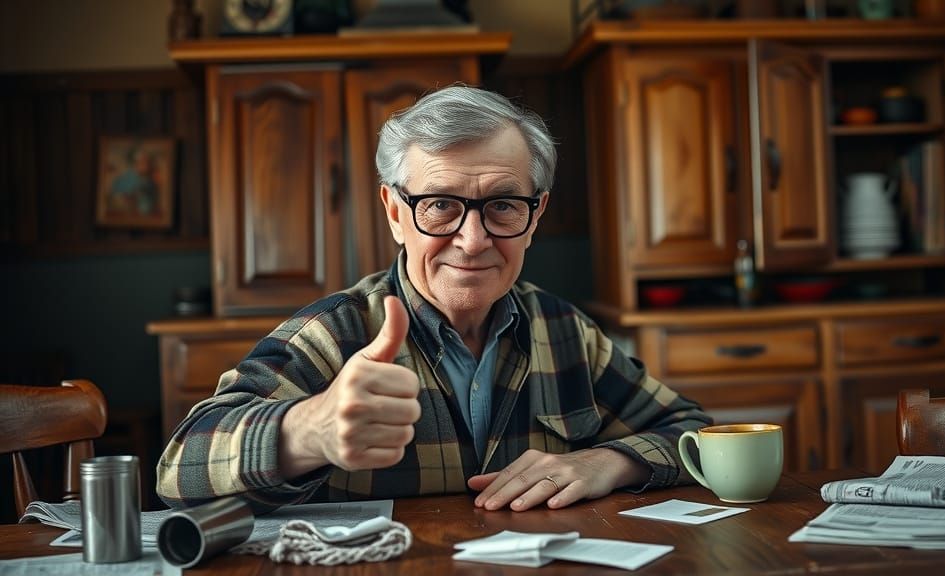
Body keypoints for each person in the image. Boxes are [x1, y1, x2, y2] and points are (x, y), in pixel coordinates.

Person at [156, 85, 712, 514]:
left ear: (535, 215)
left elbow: (697, 433)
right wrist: (310, 429)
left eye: (503, 206)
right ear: (396, 212)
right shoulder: (337, 333)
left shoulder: (565, 331)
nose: (473, 241)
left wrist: (609, 461)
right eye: (440, 205)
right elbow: (177, 471)